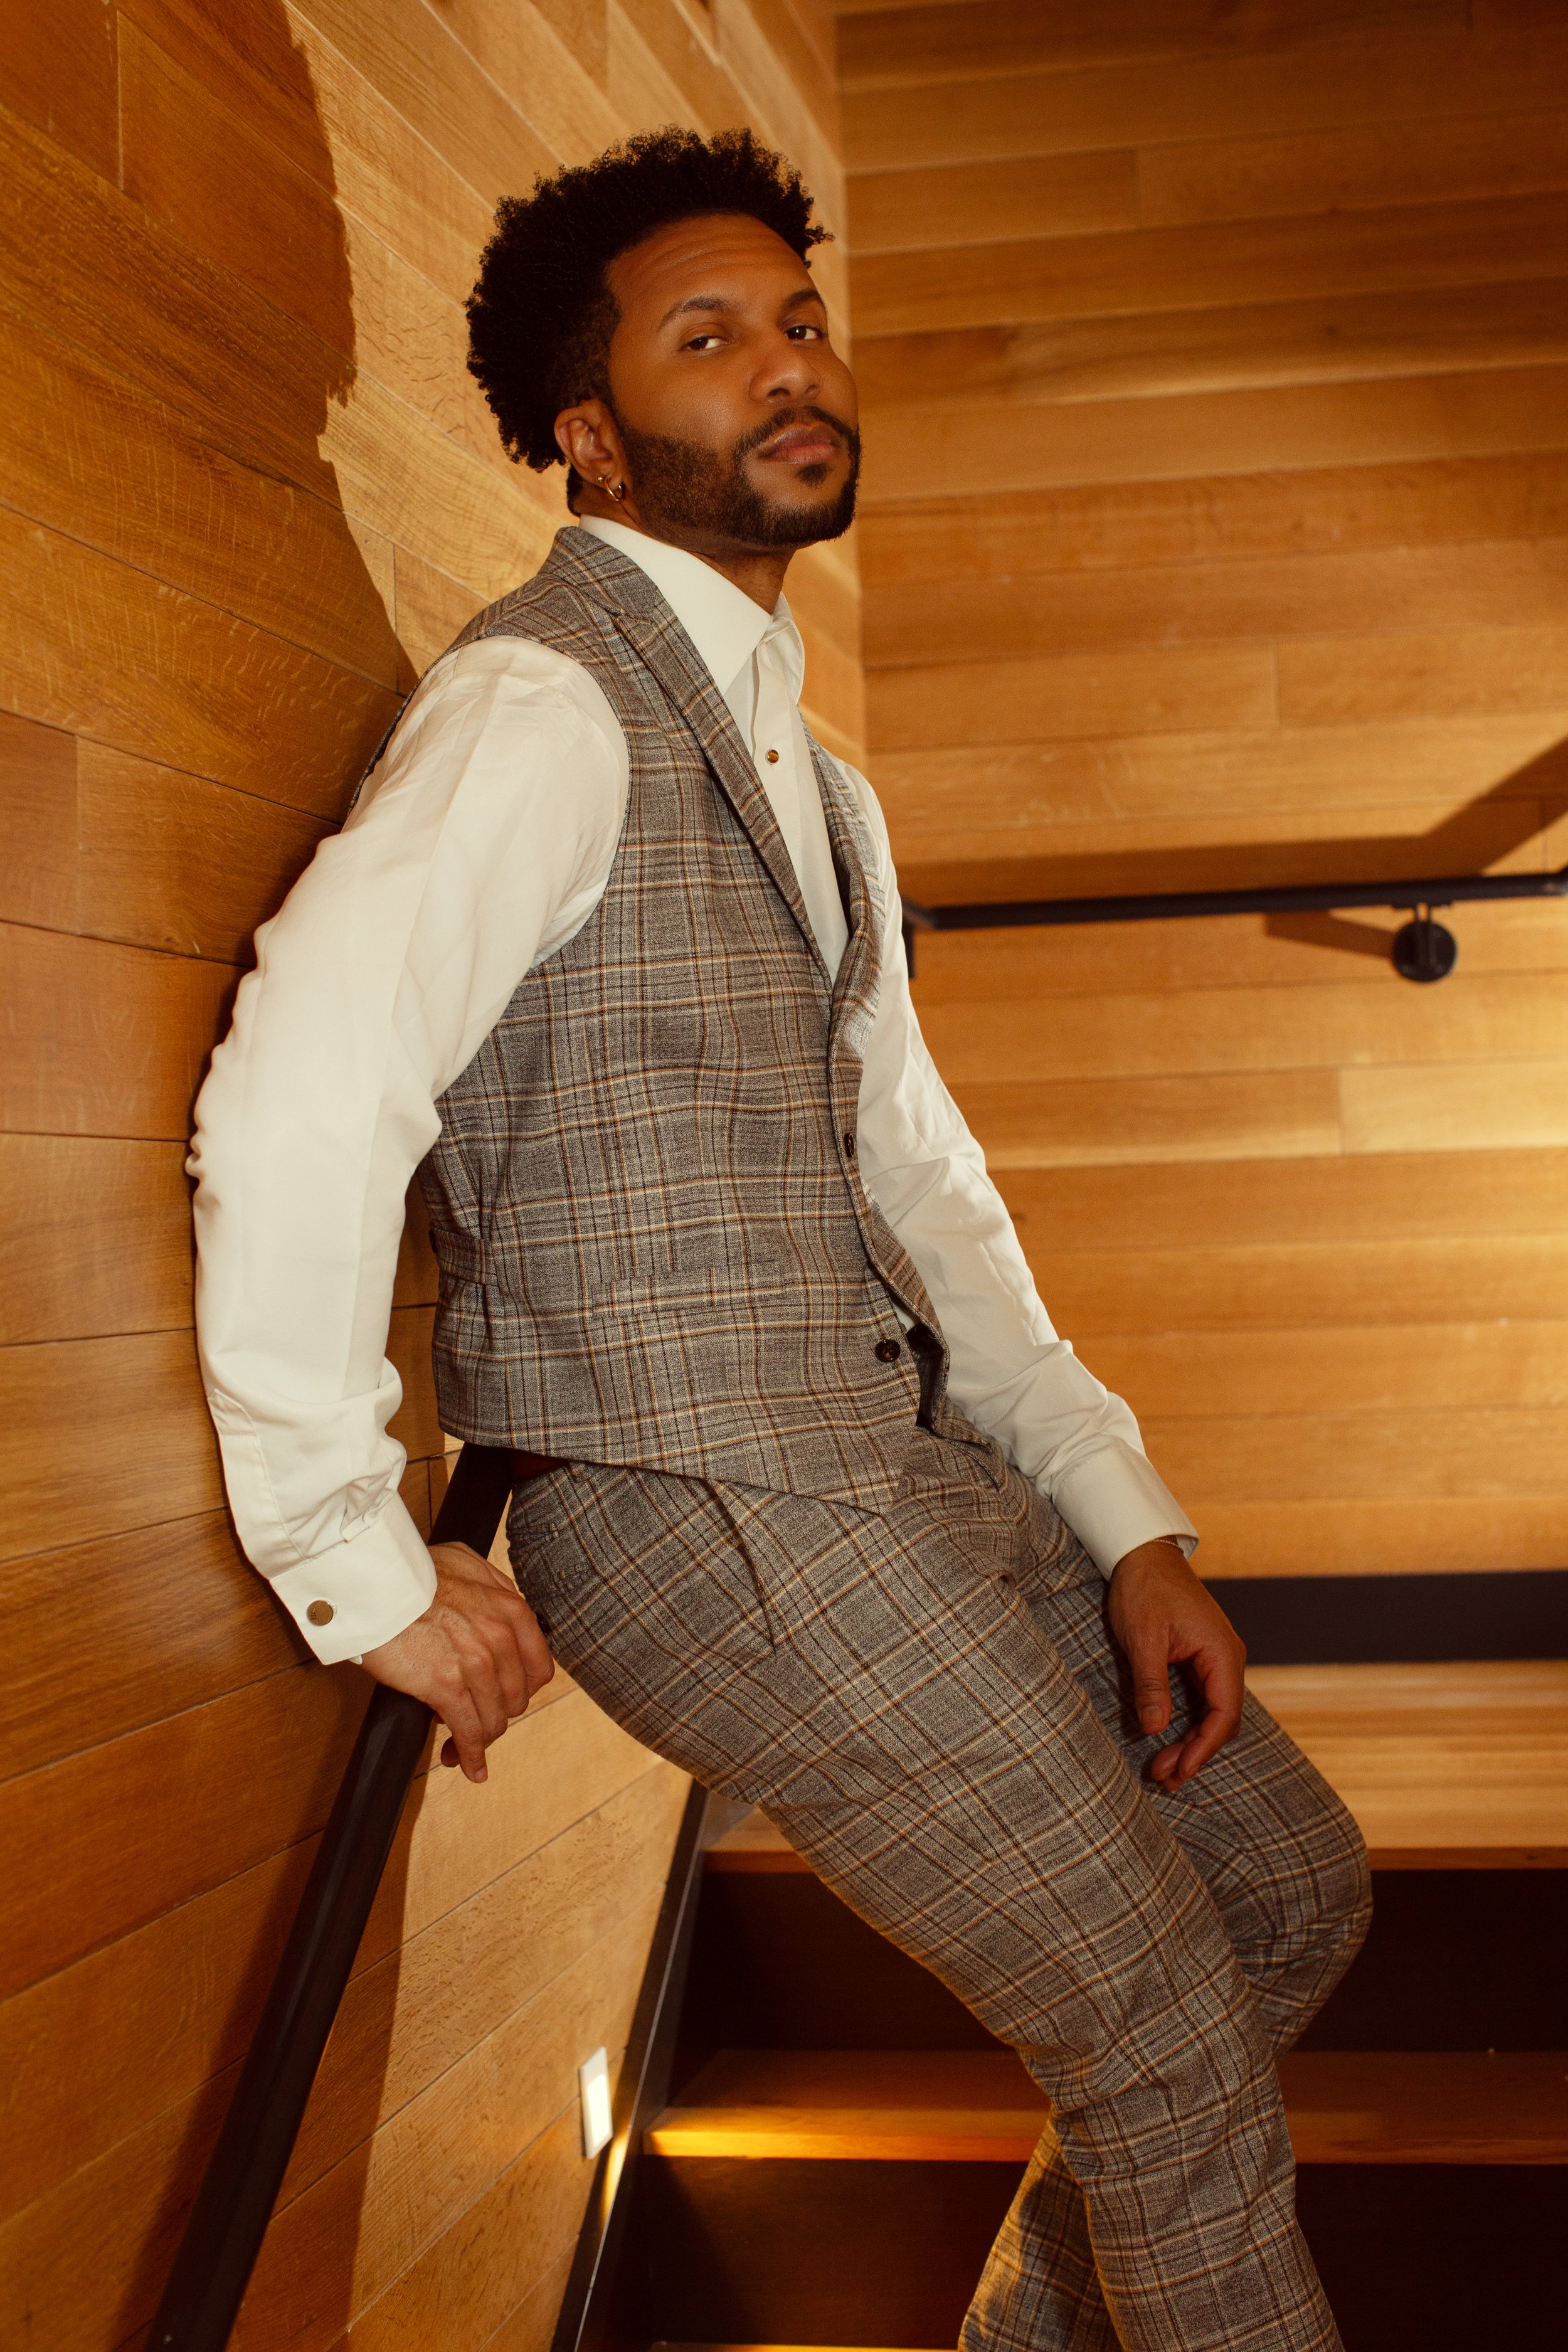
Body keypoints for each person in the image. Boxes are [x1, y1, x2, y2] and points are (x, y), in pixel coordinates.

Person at [189, 126, 1370, 2352]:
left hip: (904, 1473)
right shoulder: (544, 705)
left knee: (1290, 1895)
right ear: (588, 435)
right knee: (1159, 2043)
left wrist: (1119, 1516)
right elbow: (306, 1081)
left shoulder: (816, 782)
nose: (784, 368)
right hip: (699, 1501)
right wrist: (345, 1547)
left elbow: (917, 1177)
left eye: (798, 323)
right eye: (708, 338)